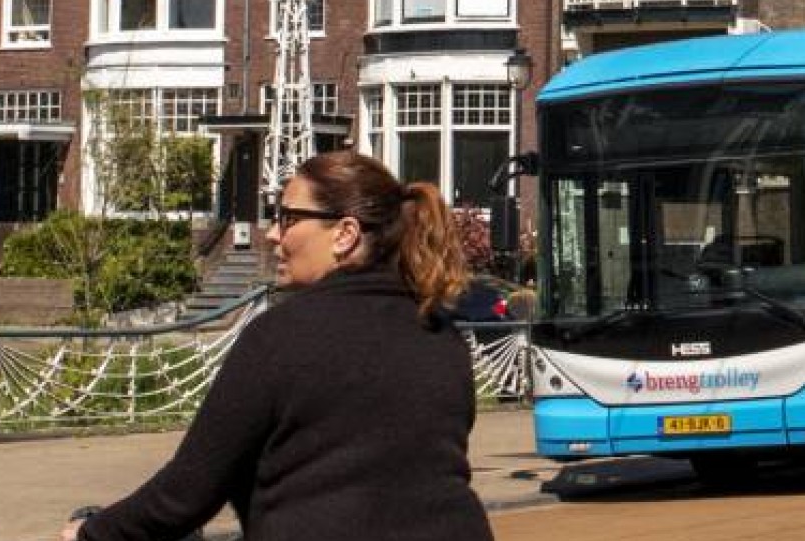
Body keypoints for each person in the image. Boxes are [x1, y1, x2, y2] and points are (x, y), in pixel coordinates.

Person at [64, 151, 493, 541]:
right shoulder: (442, 334)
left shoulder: (279, 336)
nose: (272, 234)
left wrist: (90, 533)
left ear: (344, 233)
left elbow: (186, 495)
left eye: (287, 218)